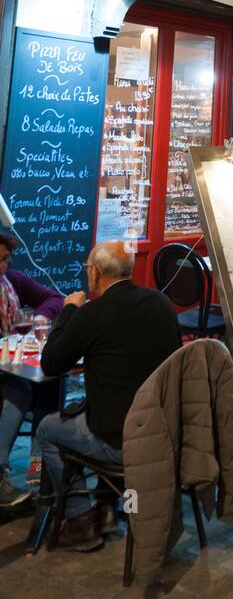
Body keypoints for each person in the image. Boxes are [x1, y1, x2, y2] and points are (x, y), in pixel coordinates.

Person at [37, 242, 181, 551]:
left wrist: (69, 311)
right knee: (110, 409)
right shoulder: (161, 303)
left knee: (48, 429)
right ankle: (106, 510)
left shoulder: (93, 313)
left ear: (96, 273)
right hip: (163, 431)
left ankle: (80, 521)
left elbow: (51, 362)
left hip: (120, 441)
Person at [0, 231, 64, 509]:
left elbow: (53, 298)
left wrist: (40, 315)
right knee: (20, 390)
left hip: (8, 363)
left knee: (49, 382)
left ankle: (38, 467)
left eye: (6, 259)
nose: (3, 265)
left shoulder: (11, 281)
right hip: (7, 370)